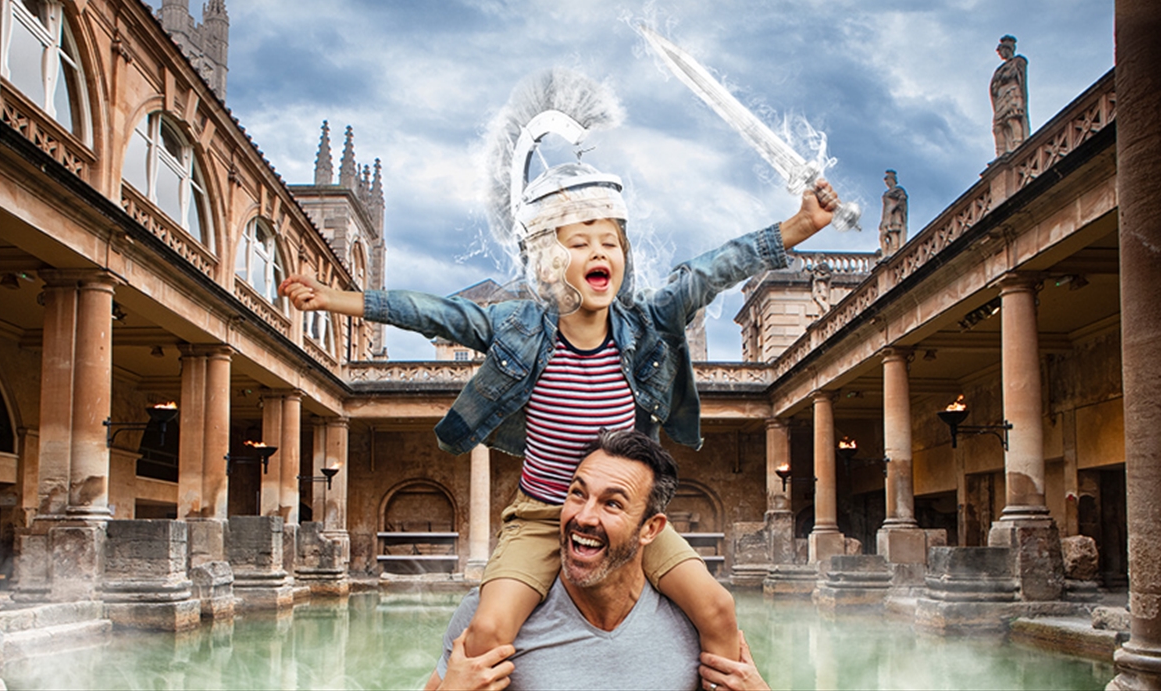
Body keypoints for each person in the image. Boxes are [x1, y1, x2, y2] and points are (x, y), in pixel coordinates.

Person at [280, 68, 837, 680]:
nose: (599, 252)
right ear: (549, 260)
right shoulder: (521, 327)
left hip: (628, 518)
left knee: (719, 608)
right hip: (544, 513)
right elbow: (437, 312)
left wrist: (799, 226)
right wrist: (335, 300)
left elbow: (709, 271)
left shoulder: (647, 323)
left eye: (610, 242)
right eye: (579, 242)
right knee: (489, 628)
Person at [424, 429, 770, 691]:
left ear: (651, 528)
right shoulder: (491, 613)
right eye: (577, 493)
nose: (584, 516)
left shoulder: (691, 617)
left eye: (613, 503)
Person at [990, 35, 1029, 157]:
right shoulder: (999, 69)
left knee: (1012, 119)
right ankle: (1000, 153)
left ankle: (1018, 146)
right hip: (1001, 96)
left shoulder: (1018, 61)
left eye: (1001, 51)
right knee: (998, 126)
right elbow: (994, 85)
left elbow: (1014, 75)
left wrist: (1003, 78)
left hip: (1012, 92)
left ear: (1007, 49)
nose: (1000, 54)